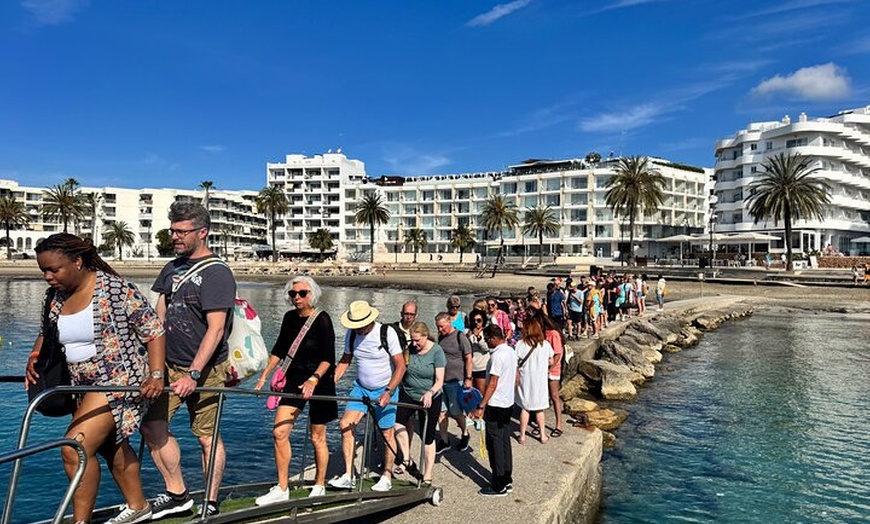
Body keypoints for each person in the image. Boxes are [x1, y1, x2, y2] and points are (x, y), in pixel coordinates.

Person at [25, 233, 166, 524]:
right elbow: (47, 331)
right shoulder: (54, 297)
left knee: (73, 446)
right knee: (108, 444)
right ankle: (139, 506)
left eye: (54, 269)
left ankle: (80, 521)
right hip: (81, 384)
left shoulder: (115, 289)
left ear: (77, 262)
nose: (48, 277)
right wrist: (34, 355)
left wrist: (155, 375)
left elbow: (154, 331)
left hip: (119, 379)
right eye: (43, 271)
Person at [142, 201, 237, 519]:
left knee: (207, 436)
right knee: (152, 426)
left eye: (182, 231)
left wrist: (194, 374)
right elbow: (160, 314)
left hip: (206, 370)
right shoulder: (171, 268)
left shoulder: (216, 273)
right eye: (173, 230)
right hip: (167, 366)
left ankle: (210, 501)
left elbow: (217, 328)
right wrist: (153, 360)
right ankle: (177, 494)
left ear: (202, 232)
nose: (175, 236)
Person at [253, 276, 338, 504]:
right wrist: (264, 376)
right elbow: (279, 349)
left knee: (317, 437)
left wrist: (314, 379)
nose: (297, 298)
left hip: (320, 381)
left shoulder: (322, 319)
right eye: (293, 294)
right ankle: (282, 487)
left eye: (303, 293)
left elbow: (329, 358)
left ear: (313, 294)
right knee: (279, 432)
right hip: (294, 380)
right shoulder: (289, 318)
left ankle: (319, 484)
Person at [329, 300, 406, 492]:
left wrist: (388, 391)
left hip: (385, 388)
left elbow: (400, 365)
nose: (358, 329)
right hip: (361, 388)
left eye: (360, 325)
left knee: (387, 433)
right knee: (345, 424)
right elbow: (346, 360)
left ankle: (387, 475)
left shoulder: (386, 333)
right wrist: (331, 383)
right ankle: (348, 475)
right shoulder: (351, 334)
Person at [394, 322, 445, 484]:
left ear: (425, 336)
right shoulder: (410, 349)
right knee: (397, 423)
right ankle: (407, 458)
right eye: (413, 340)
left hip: (430, 396)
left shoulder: (436, 351)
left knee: (428, 436)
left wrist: (430, 392)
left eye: (418, 341)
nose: (415, 344)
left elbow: (439, 380)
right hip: (409, 392)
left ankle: (428, 474)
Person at [470, 325, 517, 497]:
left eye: (486, 338)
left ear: (492, 337)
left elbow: (492, 383)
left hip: (496, 404)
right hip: (508, 402)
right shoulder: (511, 351)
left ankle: (498, 484)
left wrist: (481, 405)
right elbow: (516, 377)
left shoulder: (497, 355)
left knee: (494, 443)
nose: (486, 342)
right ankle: (507, 477)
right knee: (505, 441)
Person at [434, 312, 473, 453]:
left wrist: (468, 378)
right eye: (438, 327)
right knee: (441, 412)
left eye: (442, 327)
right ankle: (444, 440)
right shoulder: (441, 337)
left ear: (449, 322)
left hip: (456, 380)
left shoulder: (459, 336)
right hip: (441, 380)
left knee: (456, 412)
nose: (440, 330)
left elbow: (468, 358)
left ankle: (465, 433)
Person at [514, 315, 554, 444]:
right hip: (540, 380)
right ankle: (543, 435)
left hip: (526, 379)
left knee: (525, 408)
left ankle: (522, 436)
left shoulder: (520, 344)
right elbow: (551, 360)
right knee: (539, 408)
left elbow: (515, 361)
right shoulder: (545, 345)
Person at [465, 308, 489, 395]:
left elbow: (486, 348)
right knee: (470, 395)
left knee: (481, 394)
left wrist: (478, 338)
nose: (476, 323)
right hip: (470, 368)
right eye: (474, 320)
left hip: (481, 368)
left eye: (479, 320)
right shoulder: (467, 332)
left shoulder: (486, 333)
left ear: (483, 321)